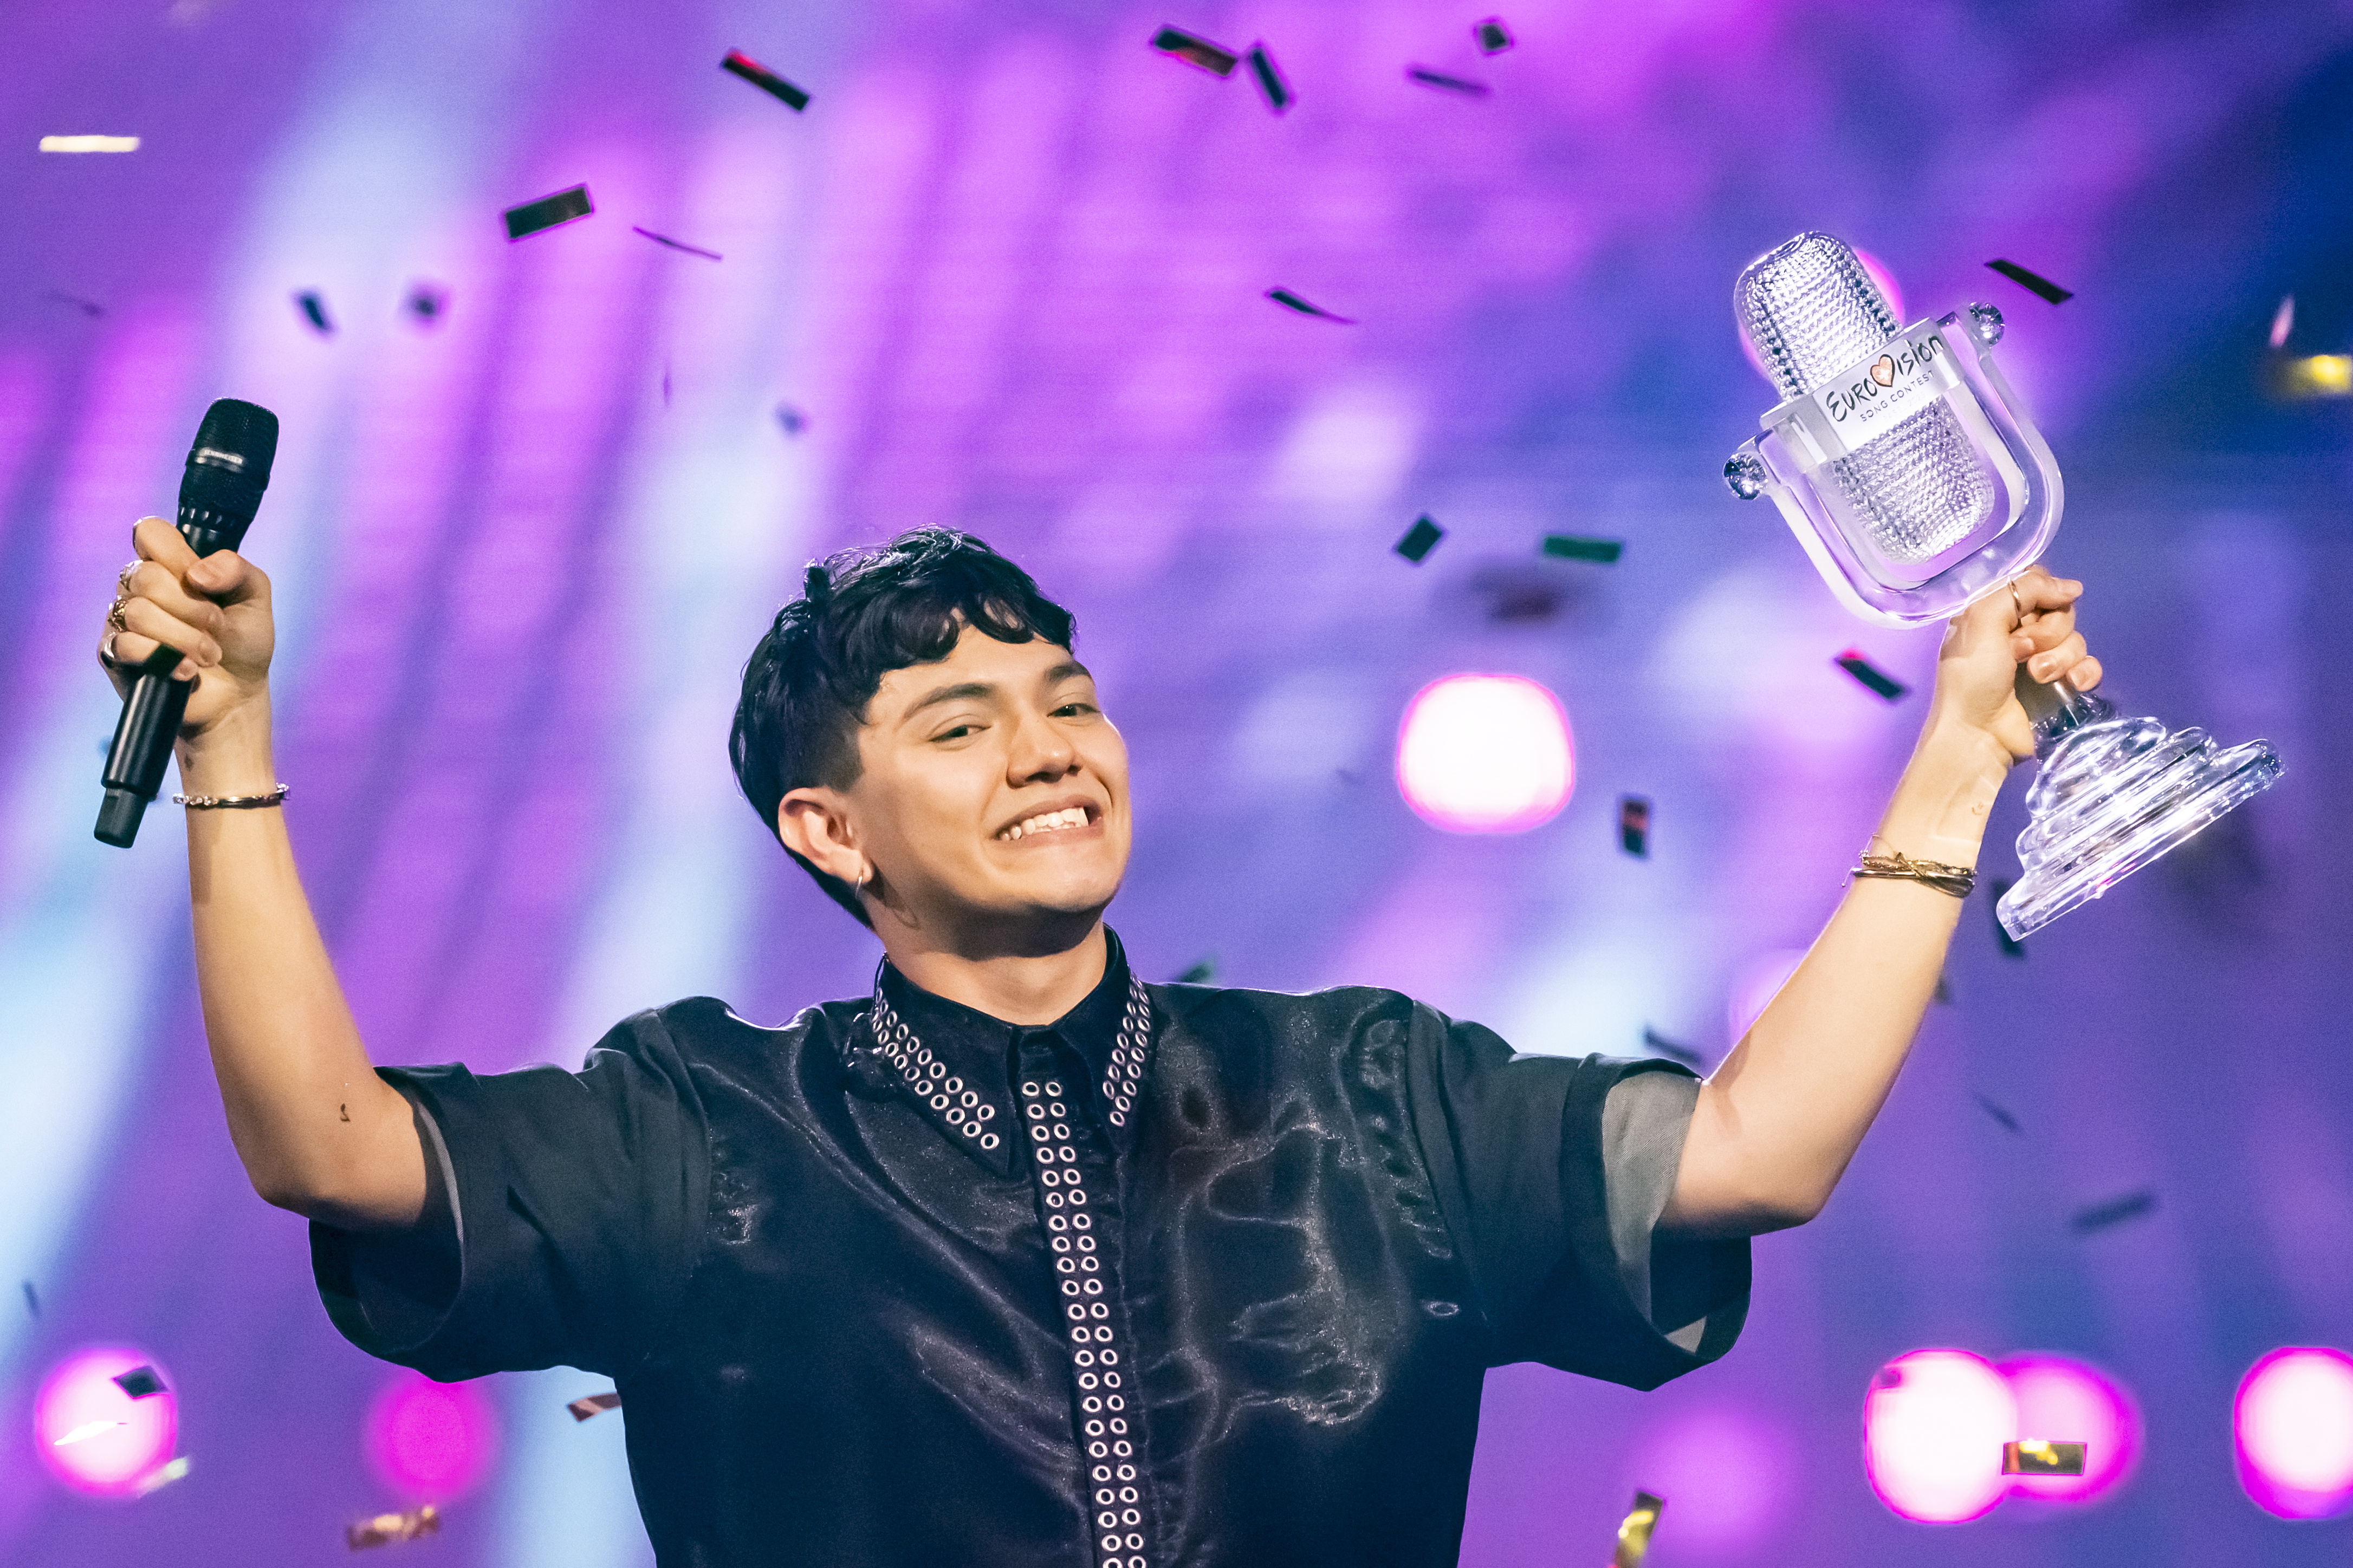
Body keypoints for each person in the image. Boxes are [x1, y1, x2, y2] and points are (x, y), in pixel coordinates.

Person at [100, 519, 2099, 1567]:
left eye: (1066, 701)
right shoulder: (713, 1127)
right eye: (960, 727)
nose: (1048, 747)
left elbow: (1756, 1154)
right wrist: (230, 746)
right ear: (833, 833)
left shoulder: (1366, 1091)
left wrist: (1956, 763)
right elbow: (329, 1146)